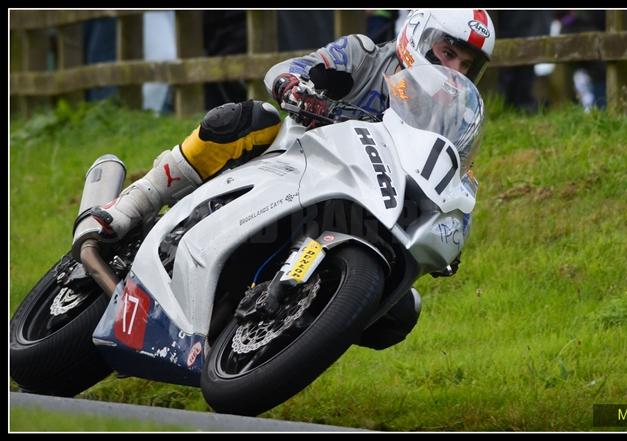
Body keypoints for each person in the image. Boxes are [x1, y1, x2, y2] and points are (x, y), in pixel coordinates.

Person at [87, 9, 496, 350]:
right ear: (419, 35)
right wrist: (297, 88)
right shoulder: (364, 55)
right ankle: (133, 202)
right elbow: (291, 70)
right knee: (248, 119)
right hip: (297, 164)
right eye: (448, 52)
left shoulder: (452, 122)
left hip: (362, 211)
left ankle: (291, 331)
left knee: (402, 312)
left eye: (466, 65)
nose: (454, 68)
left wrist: (448, 225)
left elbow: (454, 179)